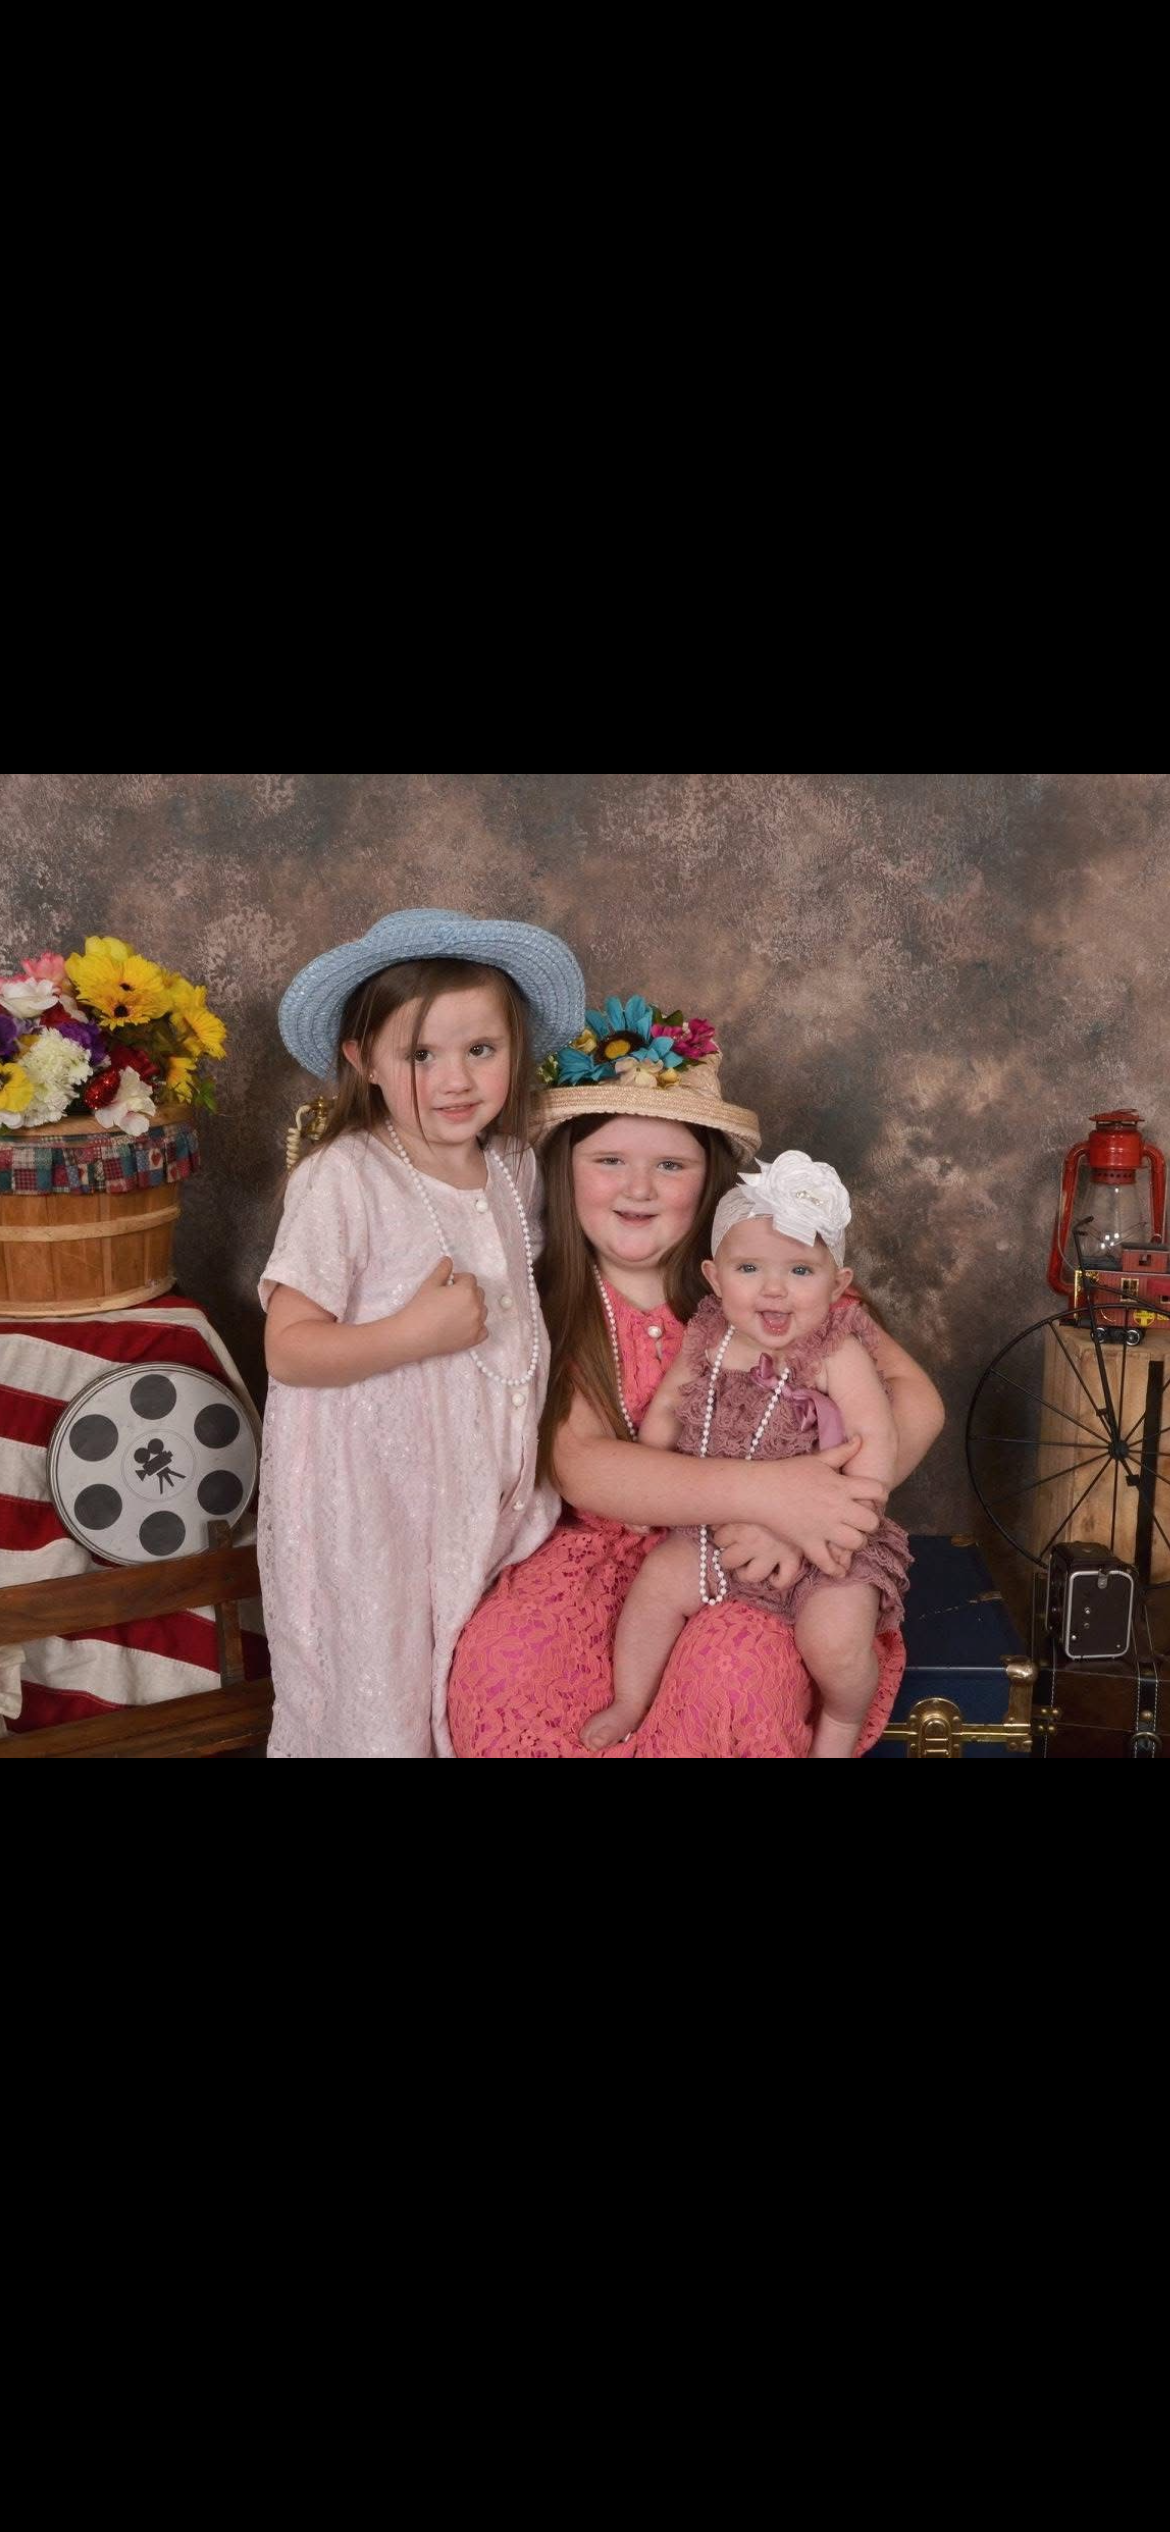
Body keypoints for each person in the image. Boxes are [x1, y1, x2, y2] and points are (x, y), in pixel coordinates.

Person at [447, 998, 943, 1757]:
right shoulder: (555, 1305)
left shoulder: (774, 1286)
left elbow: (916, 1403)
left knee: (731, 1674)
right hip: (610, 1560)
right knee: (506, 1658)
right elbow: (584, 1466)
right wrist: (772, 1495)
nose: (638, 1188)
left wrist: (825, 1518)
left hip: (771, 1566)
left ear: (706, 1178)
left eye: (670, 1165)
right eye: (608, 1161)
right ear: (565, 1170)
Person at [258, 908, 585, 1757]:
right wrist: (411, 1332)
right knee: (380, 1697)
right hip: (371, 1501)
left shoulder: (514, 1168)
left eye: (481, 1049)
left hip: (484, 1488)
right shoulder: (346, 1178)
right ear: (362, 1061)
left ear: (515, 1050)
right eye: (420, 1055)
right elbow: (289, 1347)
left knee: (470, 1687)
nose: (455, 1079)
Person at [580, 1151, 911, 1755]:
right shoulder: (708, 1336)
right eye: (751, 1267)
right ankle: (632, 1697)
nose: (775, 1289)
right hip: (716, 1531)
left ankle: (839, 1722)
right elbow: (666, 1409)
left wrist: (846, 1522)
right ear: (714, 1277)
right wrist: (647, 1481)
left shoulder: (839, 1350)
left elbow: (876, 1437)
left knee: (834, 1641)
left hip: (825, 1541)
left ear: (838, 1287)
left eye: (801, 1273)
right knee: (655, 1588)